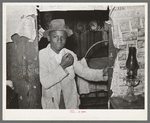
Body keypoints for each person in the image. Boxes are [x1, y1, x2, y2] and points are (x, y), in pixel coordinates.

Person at [39, 19, 109, 109]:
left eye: (62, 37)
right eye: (55, 36)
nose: (59, 40)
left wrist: (102, 73)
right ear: (49, 38)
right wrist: (62, 66)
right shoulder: (42, 55)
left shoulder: (70, 54)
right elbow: (45, 82)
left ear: (66, 38)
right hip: (51, 104)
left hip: (70, 103)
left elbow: (83, 71)